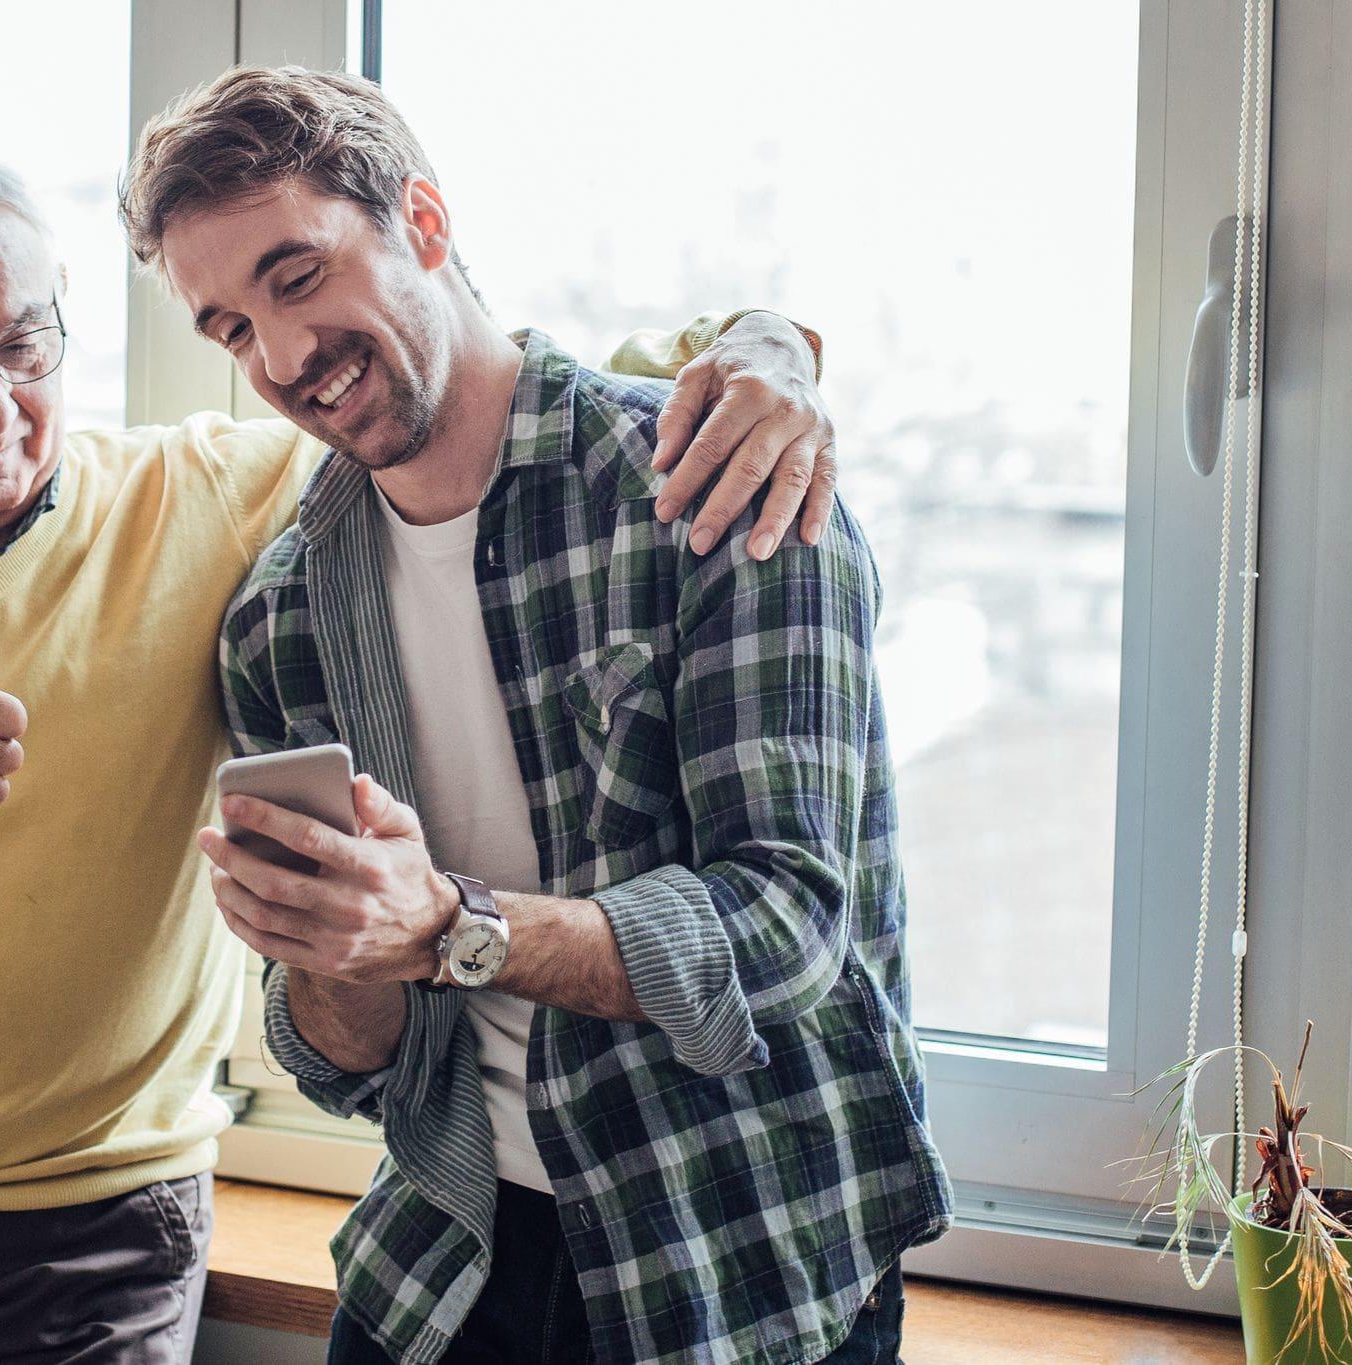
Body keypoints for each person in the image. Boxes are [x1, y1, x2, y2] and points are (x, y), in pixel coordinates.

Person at [0, 140, 842, 1363]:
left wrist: (756, 342)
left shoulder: (198, 496)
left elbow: (477, 387)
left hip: (86, 1228)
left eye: (25, 348)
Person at [121, 66, 952, 1364]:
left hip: (736, 1264)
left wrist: (454, 927)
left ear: (426, 224)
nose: (282, 359)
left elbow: (786, 930)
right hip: (448, 1264)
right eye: (229, 327)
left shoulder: (710, 486)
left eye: (298, 276)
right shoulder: (284, 614)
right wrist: (340, 948)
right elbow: (347, 1059)